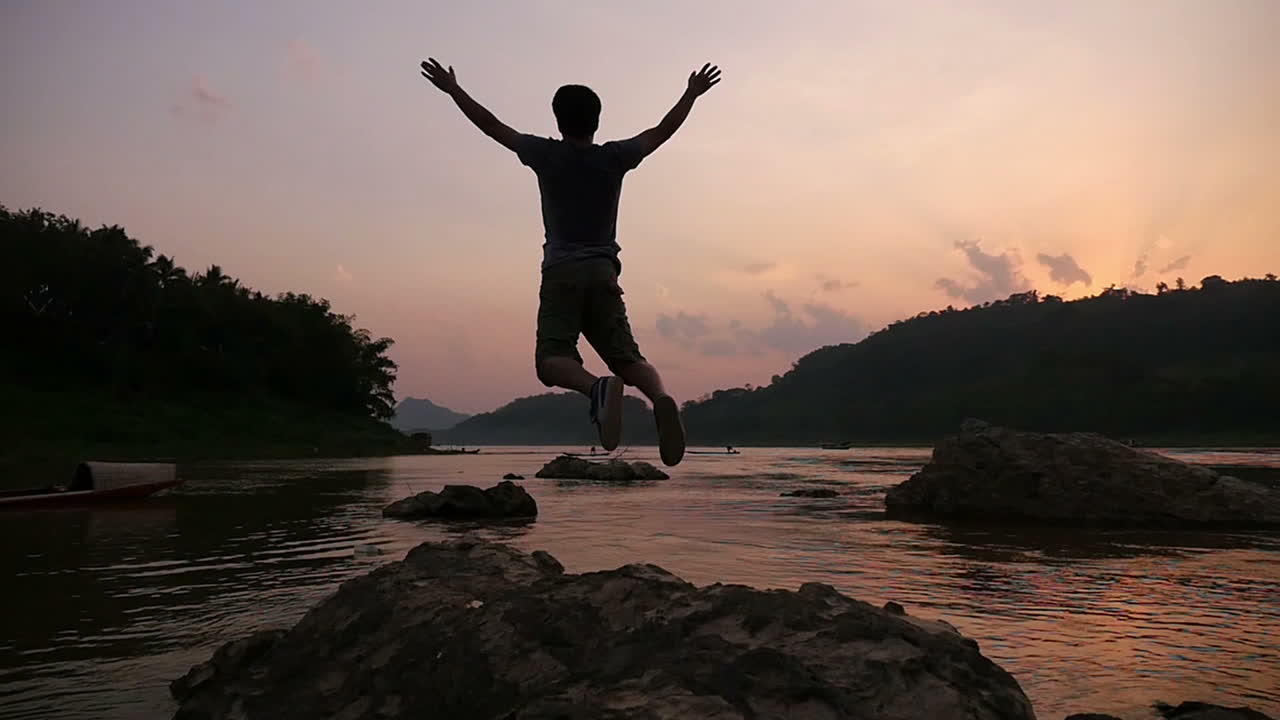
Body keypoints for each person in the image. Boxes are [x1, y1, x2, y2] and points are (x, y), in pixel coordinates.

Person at [419, 58, 721, 466]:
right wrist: (691, 94)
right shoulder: (614, 158)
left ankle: (596, 388)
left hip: (561, 271)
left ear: (558, 121)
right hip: (603, 271)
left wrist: (454, 90)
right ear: (597, 121)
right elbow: (660, 132)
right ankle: (663, 398)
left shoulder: (545, 154)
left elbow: (492, 126)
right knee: (628, 358)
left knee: (552, 360)